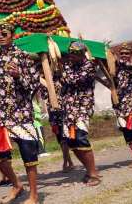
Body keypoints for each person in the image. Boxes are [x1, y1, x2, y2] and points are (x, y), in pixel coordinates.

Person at [0, 23, 41, 204]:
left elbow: (33, 85)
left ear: (12, 35)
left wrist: (18, 75)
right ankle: (16, 185)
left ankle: (34, 196)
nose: (0, 36)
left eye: (4, 33)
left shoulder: (22, 57)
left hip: (20, 113)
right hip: (0, 115)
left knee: (28, 155)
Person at [58, 42, 101, 185]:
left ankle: (94, 173)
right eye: (70, 53)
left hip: (82, 107)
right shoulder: (69, 65)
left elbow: (72, 80)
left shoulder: (89, 66)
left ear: (82, 54)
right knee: (71, 141)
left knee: (81, 138)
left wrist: (62, 68)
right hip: (69, 109)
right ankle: (88, 170)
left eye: (75, 54)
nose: (71, 56)